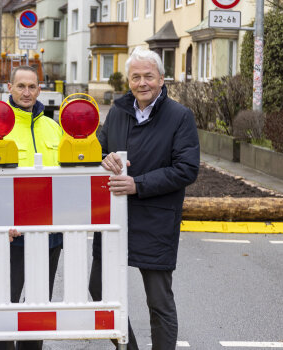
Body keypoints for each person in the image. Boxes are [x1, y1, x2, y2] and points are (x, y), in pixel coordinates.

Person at [90, 48, 200, 350]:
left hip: (155, 219)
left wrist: (137, 184)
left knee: (159, 301)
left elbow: (186, 169)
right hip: (115, 218)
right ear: (128, 81)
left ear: (161, 79)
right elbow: (95, 150)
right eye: (136, 77)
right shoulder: (117, 112)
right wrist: (103, 158)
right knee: (99, 290)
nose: (142, 83)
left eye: (148, 76)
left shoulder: (180, 116)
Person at [0, 66, 63, 350]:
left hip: (49, 233)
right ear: (9, 87)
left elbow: (68, 177)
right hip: (10, 234)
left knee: (37, 309)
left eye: (32, 86)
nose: (26, 92)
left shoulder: (53, 127)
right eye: (20, 86)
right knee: (4, 306)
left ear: (40, 89)